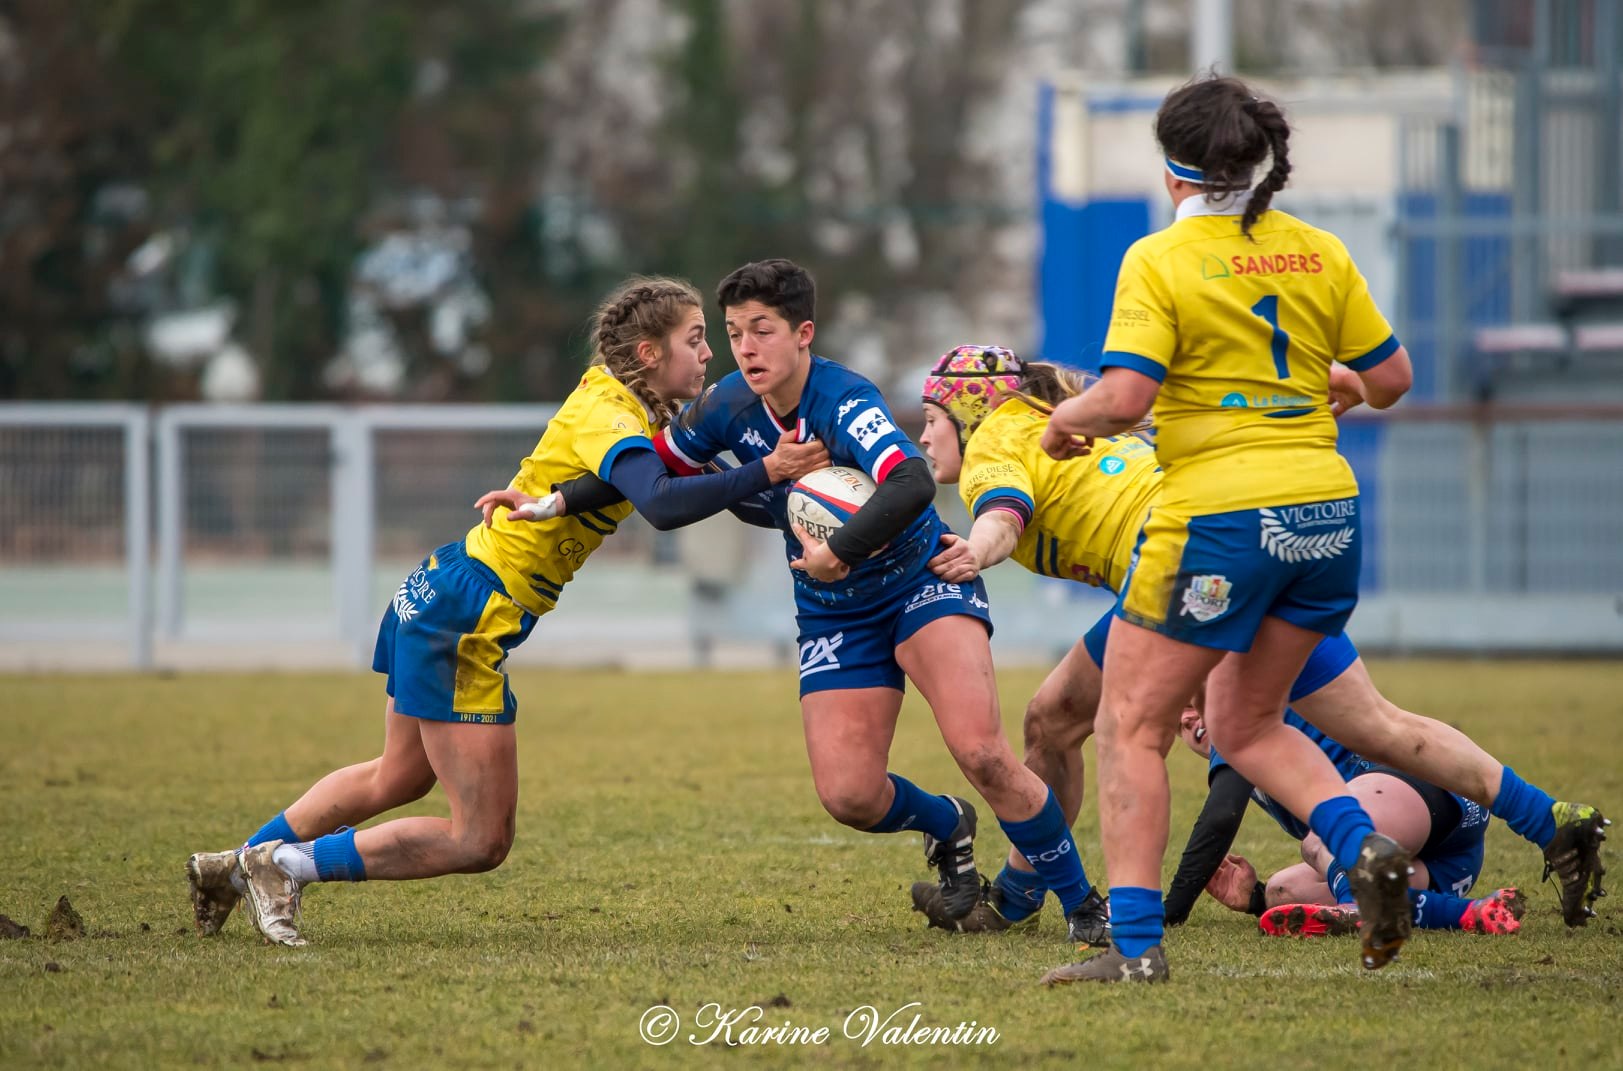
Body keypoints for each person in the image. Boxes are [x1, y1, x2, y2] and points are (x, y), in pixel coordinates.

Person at [183, 276, 830, 946]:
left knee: (396, 775)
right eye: (695, 340)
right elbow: (663, 504)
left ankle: (231, 865)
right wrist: (769, 473)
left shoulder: (640, 414)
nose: (708, 356)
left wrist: (811, 505)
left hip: (446, 587)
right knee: (480, 837)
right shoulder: (609, 411)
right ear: (647, 353)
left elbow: (701, 488)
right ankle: (282, 864)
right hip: (467, 614)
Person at [910, 344, 1606, 944]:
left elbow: (1003, 511)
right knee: (1377, 725)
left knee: (1099, 726)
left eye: (931, 419)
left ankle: (1084, 919)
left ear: (968, 411)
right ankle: (1549, 817)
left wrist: (977, 548)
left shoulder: (997, 437)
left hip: (1180, 566)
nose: (923, 437)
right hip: (1251, 543)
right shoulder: (1070, 417)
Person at [634, 258, 1110, 941]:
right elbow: (648, 480)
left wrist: (839, 550)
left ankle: (1084, 907)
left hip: (922, 579)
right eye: (734, 331)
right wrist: (551, 500)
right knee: (849, 795)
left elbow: (911, 482)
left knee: (981, 751)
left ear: (803, 334)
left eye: (761, 330)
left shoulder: (844, 397)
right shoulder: (725, 408)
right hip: (834, 609)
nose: (744, 347)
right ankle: (948, 823)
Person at [1168, 688, 1525, 939]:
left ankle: (1355, 906)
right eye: (1178, 715)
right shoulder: (1241, 736)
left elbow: (1219, 819)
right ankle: (1468, 913)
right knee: (1282, 892)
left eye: (1191, 701)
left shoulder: (1236, 711)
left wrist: (1170, 912)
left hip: (1431, 789)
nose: (1187, 719)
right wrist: (1254, 897)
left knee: (1321, 837)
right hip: (1449, 860)